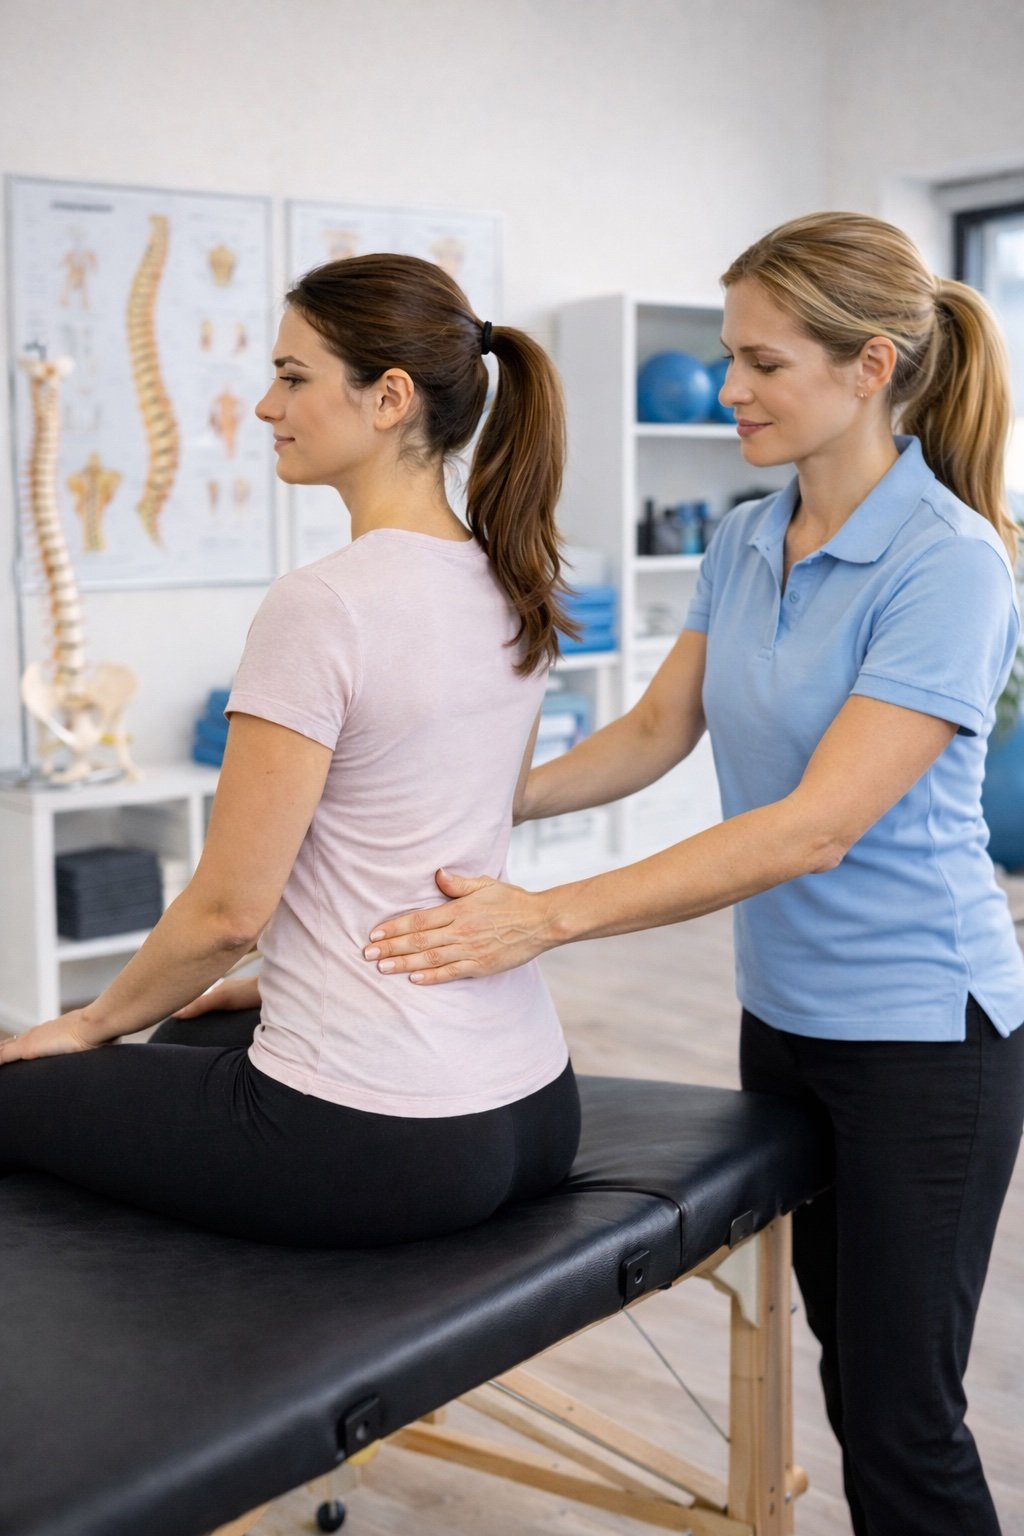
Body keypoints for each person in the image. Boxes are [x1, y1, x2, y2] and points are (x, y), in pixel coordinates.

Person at [362, 213, 1024, 1535]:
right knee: (854, 1375)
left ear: (870, 366)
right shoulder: (742, 535)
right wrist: (480, 802)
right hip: (784, 1022)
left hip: (921, 1038)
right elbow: (661, 729)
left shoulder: (951, 563)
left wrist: (544, 918)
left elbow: (810, 827)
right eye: (727, 357)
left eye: (763, 363)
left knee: (903, 1418)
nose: (729, 390)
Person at [0, 253, 581, 1248]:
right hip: (531, 1107)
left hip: (378, 1138)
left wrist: (84, 1026)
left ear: (390, 398)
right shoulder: (509, 577)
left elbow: (228, 912)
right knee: (194, 1025)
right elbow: (417, 829)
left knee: (23, 1074)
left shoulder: (324, 604)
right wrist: (293, 976)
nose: (266, 405)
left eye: (295, 376)